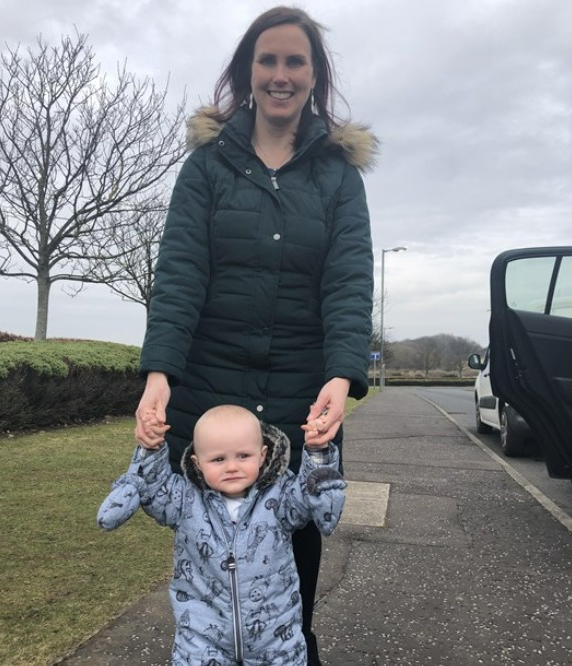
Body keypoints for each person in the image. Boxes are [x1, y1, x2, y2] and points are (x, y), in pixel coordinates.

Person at [133, 7, 375, 664]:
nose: (279, 74)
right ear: (247, 71)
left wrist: (339, 375)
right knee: (213, 588)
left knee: (291, 592)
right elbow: (179, 276)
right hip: (210, 405)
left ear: (314, 75)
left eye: (295, 61)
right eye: (267, 60)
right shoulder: (206, 170)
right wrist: (160, 374)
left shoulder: (339, 179)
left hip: (303, 407)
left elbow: (349, 284)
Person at [98, 404, 347, 665]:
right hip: (201, 641)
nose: (231, 467)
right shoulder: (184, 500)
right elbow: (153, 488)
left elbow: (311, 499)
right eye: (218, 459)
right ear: (197, 462)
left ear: (262, 456)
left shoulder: (281, 495)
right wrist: (150, 448)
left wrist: (318, 452)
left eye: (243, 456)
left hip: (275, 641)